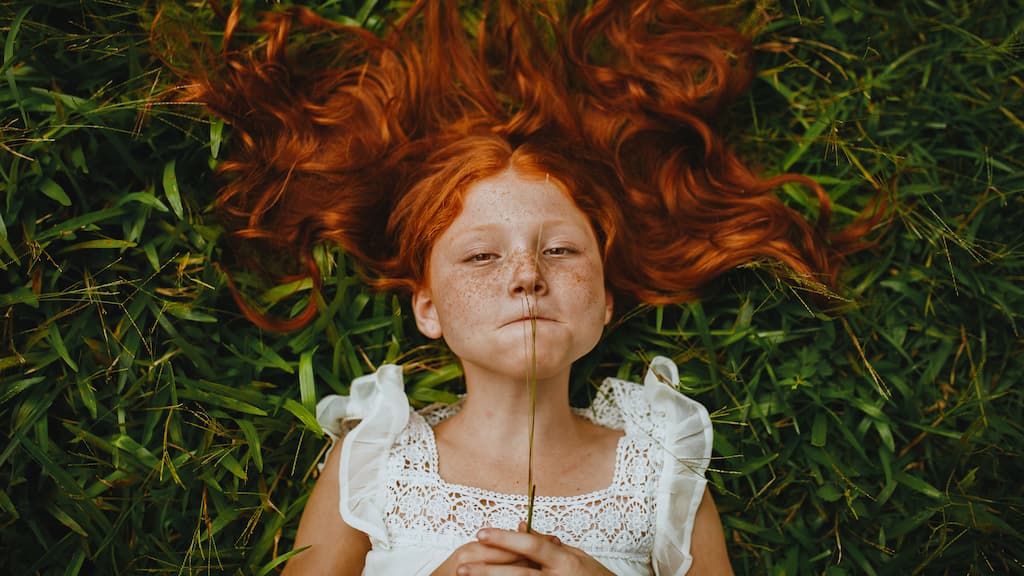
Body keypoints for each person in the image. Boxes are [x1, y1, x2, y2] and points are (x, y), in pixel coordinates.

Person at [159, 1, 876, 573]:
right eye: (480, 258)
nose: (527, 274)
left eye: (560, 250)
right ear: (428, 309)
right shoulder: (377, 455)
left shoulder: (658, 467)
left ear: (605, 303)